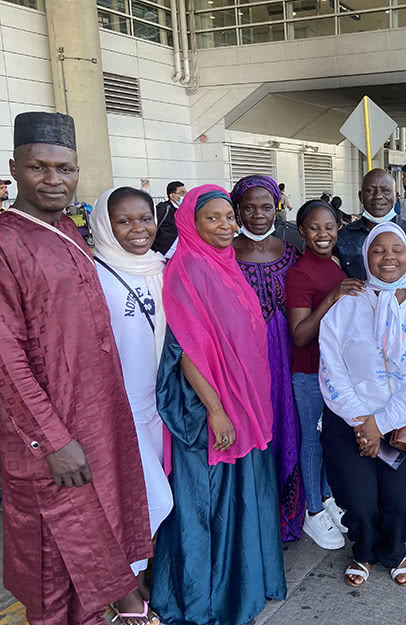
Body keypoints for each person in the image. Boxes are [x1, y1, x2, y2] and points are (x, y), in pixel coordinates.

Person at [0, 111, 152, 625]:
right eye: (39, 167)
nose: (53, 180)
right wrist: (52, 440)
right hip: (45, 436)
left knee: (98, 532)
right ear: (15, 169)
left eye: (64, 168)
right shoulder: (5, 240)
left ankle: (118, 608)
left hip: (95, 419)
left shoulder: (68, 228)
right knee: (52, 553)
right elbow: (6, 357)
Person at [150, 185, 286, 625]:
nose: (227, 225)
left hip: (242, 405)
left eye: (230, 217)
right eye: (214, 218)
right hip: (209, 410)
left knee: (241, 496)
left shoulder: (224, 264)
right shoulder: (186, 267)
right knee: (208, 504)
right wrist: (216, 408)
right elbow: (188, 348)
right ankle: (207, 600)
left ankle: (244, 584)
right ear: (191, 222)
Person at [318, 221, 406, 587]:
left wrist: (382, 423)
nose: (388, 257)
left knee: (403, 503)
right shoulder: (346, 307)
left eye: (397, 250)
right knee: (358, 502)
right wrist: (363, 422)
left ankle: (394, 552)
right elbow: (331, 366)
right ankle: (363, 552)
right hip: (350, 424)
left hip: (402, 424)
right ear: (365, 256)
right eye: (379, 250)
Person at [334, 168, 406, 527]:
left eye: (386, 189)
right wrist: (366, 423)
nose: (378, 195)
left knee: (404, 479)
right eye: (370, 189)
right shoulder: (344, 237)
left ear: (397, 193)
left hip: (403, 360)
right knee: (361, 484)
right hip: (360, 348)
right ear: (360, 195)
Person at [90, 186, 174, 623]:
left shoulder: (160, 266)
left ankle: (137, 578)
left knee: (152, 500)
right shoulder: (93, 272)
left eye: (145, 218)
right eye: (124, 221)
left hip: (160, 403)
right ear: (105, 224)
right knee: (143, 500)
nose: (138, 230)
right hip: (119, 408)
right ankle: (126, 598)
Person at [231, 175, 305, 543]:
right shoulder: (223, 254)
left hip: (286, 358)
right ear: (237, 210)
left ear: (276, 207)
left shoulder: (293, 253)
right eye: (249, 207)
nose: (258, 215)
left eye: (265, 206)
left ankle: (287, 515)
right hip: (243, 363)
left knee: (286, 428)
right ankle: (253, 518)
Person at [286, 199, 358, 550]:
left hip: (335, 373)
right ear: (302, 231)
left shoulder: (336, 267)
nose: (322, 233)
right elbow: (300, 334)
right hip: (309, 373)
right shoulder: (300, 274)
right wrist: (332, 297)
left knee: (330, 438)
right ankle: (312, 511)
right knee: (312, 441)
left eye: (328, 226)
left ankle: (327, 497)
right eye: (314, 227)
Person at [151, 180, 186, 257]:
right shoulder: (163, 209)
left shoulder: (185, 210)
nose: (185, 196)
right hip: (164, 254)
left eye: (186, 193)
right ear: (172, 195)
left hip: (180, 254)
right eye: (182, 193)